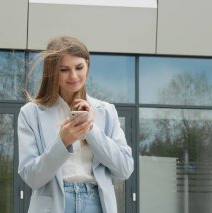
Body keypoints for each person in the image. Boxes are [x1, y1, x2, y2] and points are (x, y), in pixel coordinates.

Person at [17, 36, 134, 213]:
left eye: (79, 67)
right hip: (54, 204)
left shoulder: (106, 111)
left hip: (97, 202)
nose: (73, 76)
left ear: (88, 66)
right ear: (52, 72)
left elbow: (124, 169)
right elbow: (32, 178)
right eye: (64, 69)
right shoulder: (31, 113)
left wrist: (91, 129)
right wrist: (62, 142)